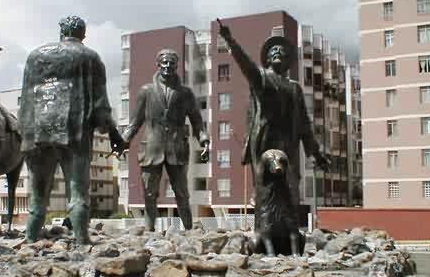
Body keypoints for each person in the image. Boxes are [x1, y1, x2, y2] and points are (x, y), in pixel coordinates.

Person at [18, 15, 124, 243]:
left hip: (37, 131)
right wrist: (113, 133)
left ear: (61, 32)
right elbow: (101, 105)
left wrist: (25, 137)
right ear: (83, 35)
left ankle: (31, 241)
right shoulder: (90, 57)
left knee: (37, 196)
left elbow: (25, 100)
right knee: (77, 192)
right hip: (74, 131)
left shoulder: (35, 56)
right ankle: (81, 241)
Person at [217, 20, 329, 211]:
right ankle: (264, 232)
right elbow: (246, 64)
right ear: (267, 59)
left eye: (281, 50)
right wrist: (230, 41)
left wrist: (316, 153)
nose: (277, 51)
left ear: (288, 61)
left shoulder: (295, 88)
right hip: (265, 139)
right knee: (266, 187)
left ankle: (290, 232)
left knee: (290, 185)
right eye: (272, 50)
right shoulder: (260, 78)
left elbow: (304, 124)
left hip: (288, 141)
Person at [122, 49, 209, 231]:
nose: (168, 66)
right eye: (165, 62)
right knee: (149, 193)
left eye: (172, 63)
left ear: (177, 66)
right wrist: (122, 141)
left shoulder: (185, 93)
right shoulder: (146, 91)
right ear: (158, 64)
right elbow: (135, 122)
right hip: (151, 148)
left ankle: (188, 230)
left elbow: (197, 120)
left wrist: (204, 140)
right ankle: (149, 231)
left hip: (177, 148)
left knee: (182, 193)